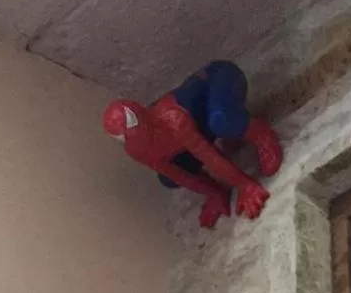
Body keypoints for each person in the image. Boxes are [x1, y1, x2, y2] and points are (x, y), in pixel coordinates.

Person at [103, 59, 283, 228]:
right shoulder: (136, 150)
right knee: (168, 179)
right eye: (126, 136)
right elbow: (177, 174)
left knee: (221, 120)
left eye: (134, 126)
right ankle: (219, 185)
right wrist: (214, 193)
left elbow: (208, 155)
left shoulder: (172, 118)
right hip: (201, 126)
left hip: (221, 77)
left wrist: (245, 184)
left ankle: (262, 135)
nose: (136, 138)